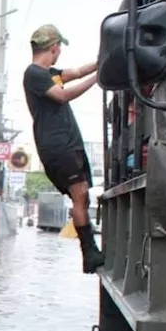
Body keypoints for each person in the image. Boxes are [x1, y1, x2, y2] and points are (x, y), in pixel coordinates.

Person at [23, 24, 104, 273]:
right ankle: (89, 254)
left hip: (67, 144)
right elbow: (62, 96)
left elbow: (77, 71)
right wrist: (98, 79)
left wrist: (103, 61)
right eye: (59, 49)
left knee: (82, 194)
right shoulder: (34, 74)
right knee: (79, 194)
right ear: (54, 47)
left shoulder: (49, 73)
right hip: (57, 146)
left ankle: (90, 252)